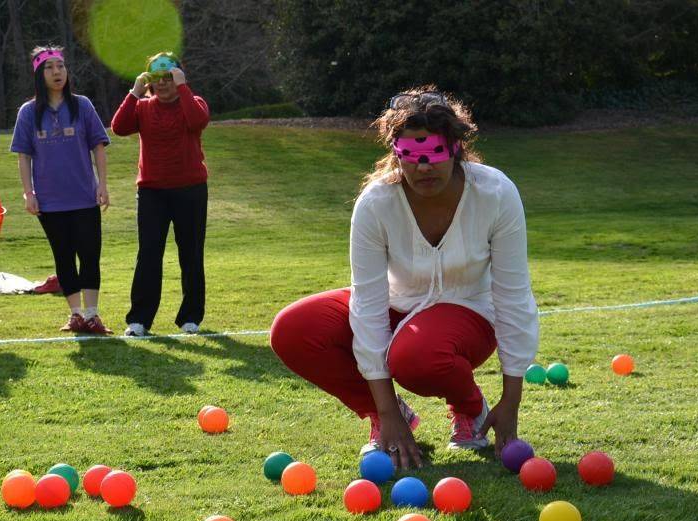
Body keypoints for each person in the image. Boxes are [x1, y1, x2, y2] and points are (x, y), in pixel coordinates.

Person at [270, 87, 539, 470]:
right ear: (396, 154)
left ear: (456, 148)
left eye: (435, 153)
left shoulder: (495, 193)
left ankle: (470, 409)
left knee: (416, 358)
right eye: (411, 156)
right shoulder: (376, 203)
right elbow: (367, 302)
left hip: (469, 315)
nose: (424, 167)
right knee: (293, 329)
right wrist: (385, 411)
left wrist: (510, 402)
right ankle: (390, 419)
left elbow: (514, 296)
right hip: (399, 306)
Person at [11, 45, 113, 334]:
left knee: (90, 255)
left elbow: (98, 147)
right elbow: (24, 156)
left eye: (60, 66)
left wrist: (102, 185)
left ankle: (93, 315)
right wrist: (28, 193)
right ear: (39, 74)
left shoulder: (82, 105)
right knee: (64, 257)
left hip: (84, 196)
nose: (57, 72)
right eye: (49, 67)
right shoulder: (28, 112)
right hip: (50, 202)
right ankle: (76, 315)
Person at [111, 52, 210, 337]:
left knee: (191, 254)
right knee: (149, 254)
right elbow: (119, 127)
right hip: (152, 192)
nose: (164, 84)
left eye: (169, 78)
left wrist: (183, 87)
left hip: (190, 190)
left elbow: (197, 121)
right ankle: (139, 320)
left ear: (178, 77)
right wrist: (134, 93)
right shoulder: (142, 108)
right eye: (158, 79)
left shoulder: (194, 102)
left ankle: (191, 317)